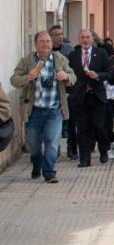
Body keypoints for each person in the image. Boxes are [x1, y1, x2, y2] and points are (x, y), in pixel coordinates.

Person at [10, 32, 76, 183]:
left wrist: (65, 76)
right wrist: (27, 77)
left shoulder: (60, 59)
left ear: (51, 44)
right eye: (42, 41)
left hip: (54, 110)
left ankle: (49, 173)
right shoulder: (27, 61)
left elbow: (73, 77)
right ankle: (36, 163)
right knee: (34, 145)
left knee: (52, 142)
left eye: (48, 41)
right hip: (34, 110)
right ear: (36, 44)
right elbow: (13, 80)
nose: (45, 44)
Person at [67, 29, 113, 167]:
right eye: (82, 37)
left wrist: (98, 75)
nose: (85, 40)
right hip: (80, 97)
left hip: (96, 96)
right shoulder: (73, 55)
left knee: (99, 126)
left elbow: (109, 73)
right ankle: (84, 159)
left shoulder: (101, 54)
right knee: (82, 129)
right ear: (79, 39)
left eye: (87, 37)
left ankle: (104, 150)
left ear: (92, 39)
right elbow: (70, 74)